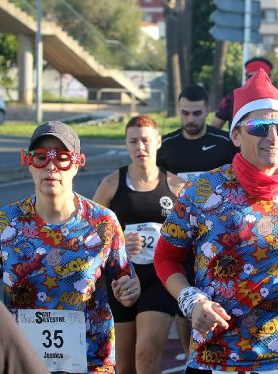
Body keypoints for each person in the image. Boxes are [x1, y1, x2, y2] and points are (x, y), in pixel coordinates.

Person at [154, 69, 278, 373]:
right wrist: (190, 301)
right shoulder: (202, 191)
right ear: (236, 135)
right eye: (259, 126)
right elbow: (166, 256)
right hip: (213, 358)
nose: (273, 137)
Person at [0, 121, 141, 373]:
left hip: (89, 362)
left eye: (61, 158)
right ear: (29, 164)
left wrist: (130, 291)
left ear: (77, 164)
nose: (51, 166)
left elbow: (126, 284)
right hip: (22, 360)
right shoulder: (5, 222)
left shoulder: (103, 222)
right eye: (40, 158)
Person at [92, 115, 185, 374]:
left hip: (159, 278)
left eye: (145, 140)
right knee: (124, 365)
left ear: (157, 142)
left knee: (145, 357)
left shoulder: (177, 187)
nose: (140, 147)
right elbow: (91, 236)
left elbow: (192, 236)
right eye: (133, 141)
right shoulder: (111, 184)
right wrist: (119, 241)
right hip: (120, 279)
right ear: (126, 144)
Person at [157, 84, 239, 357]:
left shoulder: (224, 142)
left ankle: (223, 349)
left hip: (218, 233)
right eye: (184, 113)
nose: (190, 119)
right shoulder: (166, 145)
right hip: (182, 232)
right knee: (186, 299)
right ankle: (188, 354)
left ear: (207, 111)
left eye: (196, 113)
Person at [211, 57, 274, 130]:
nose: (256, 80)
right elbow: (214, 129)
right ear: (246, 78)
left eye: (261, 76)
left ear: (269, 78)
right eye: (251, 77)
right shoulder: (232, 98)